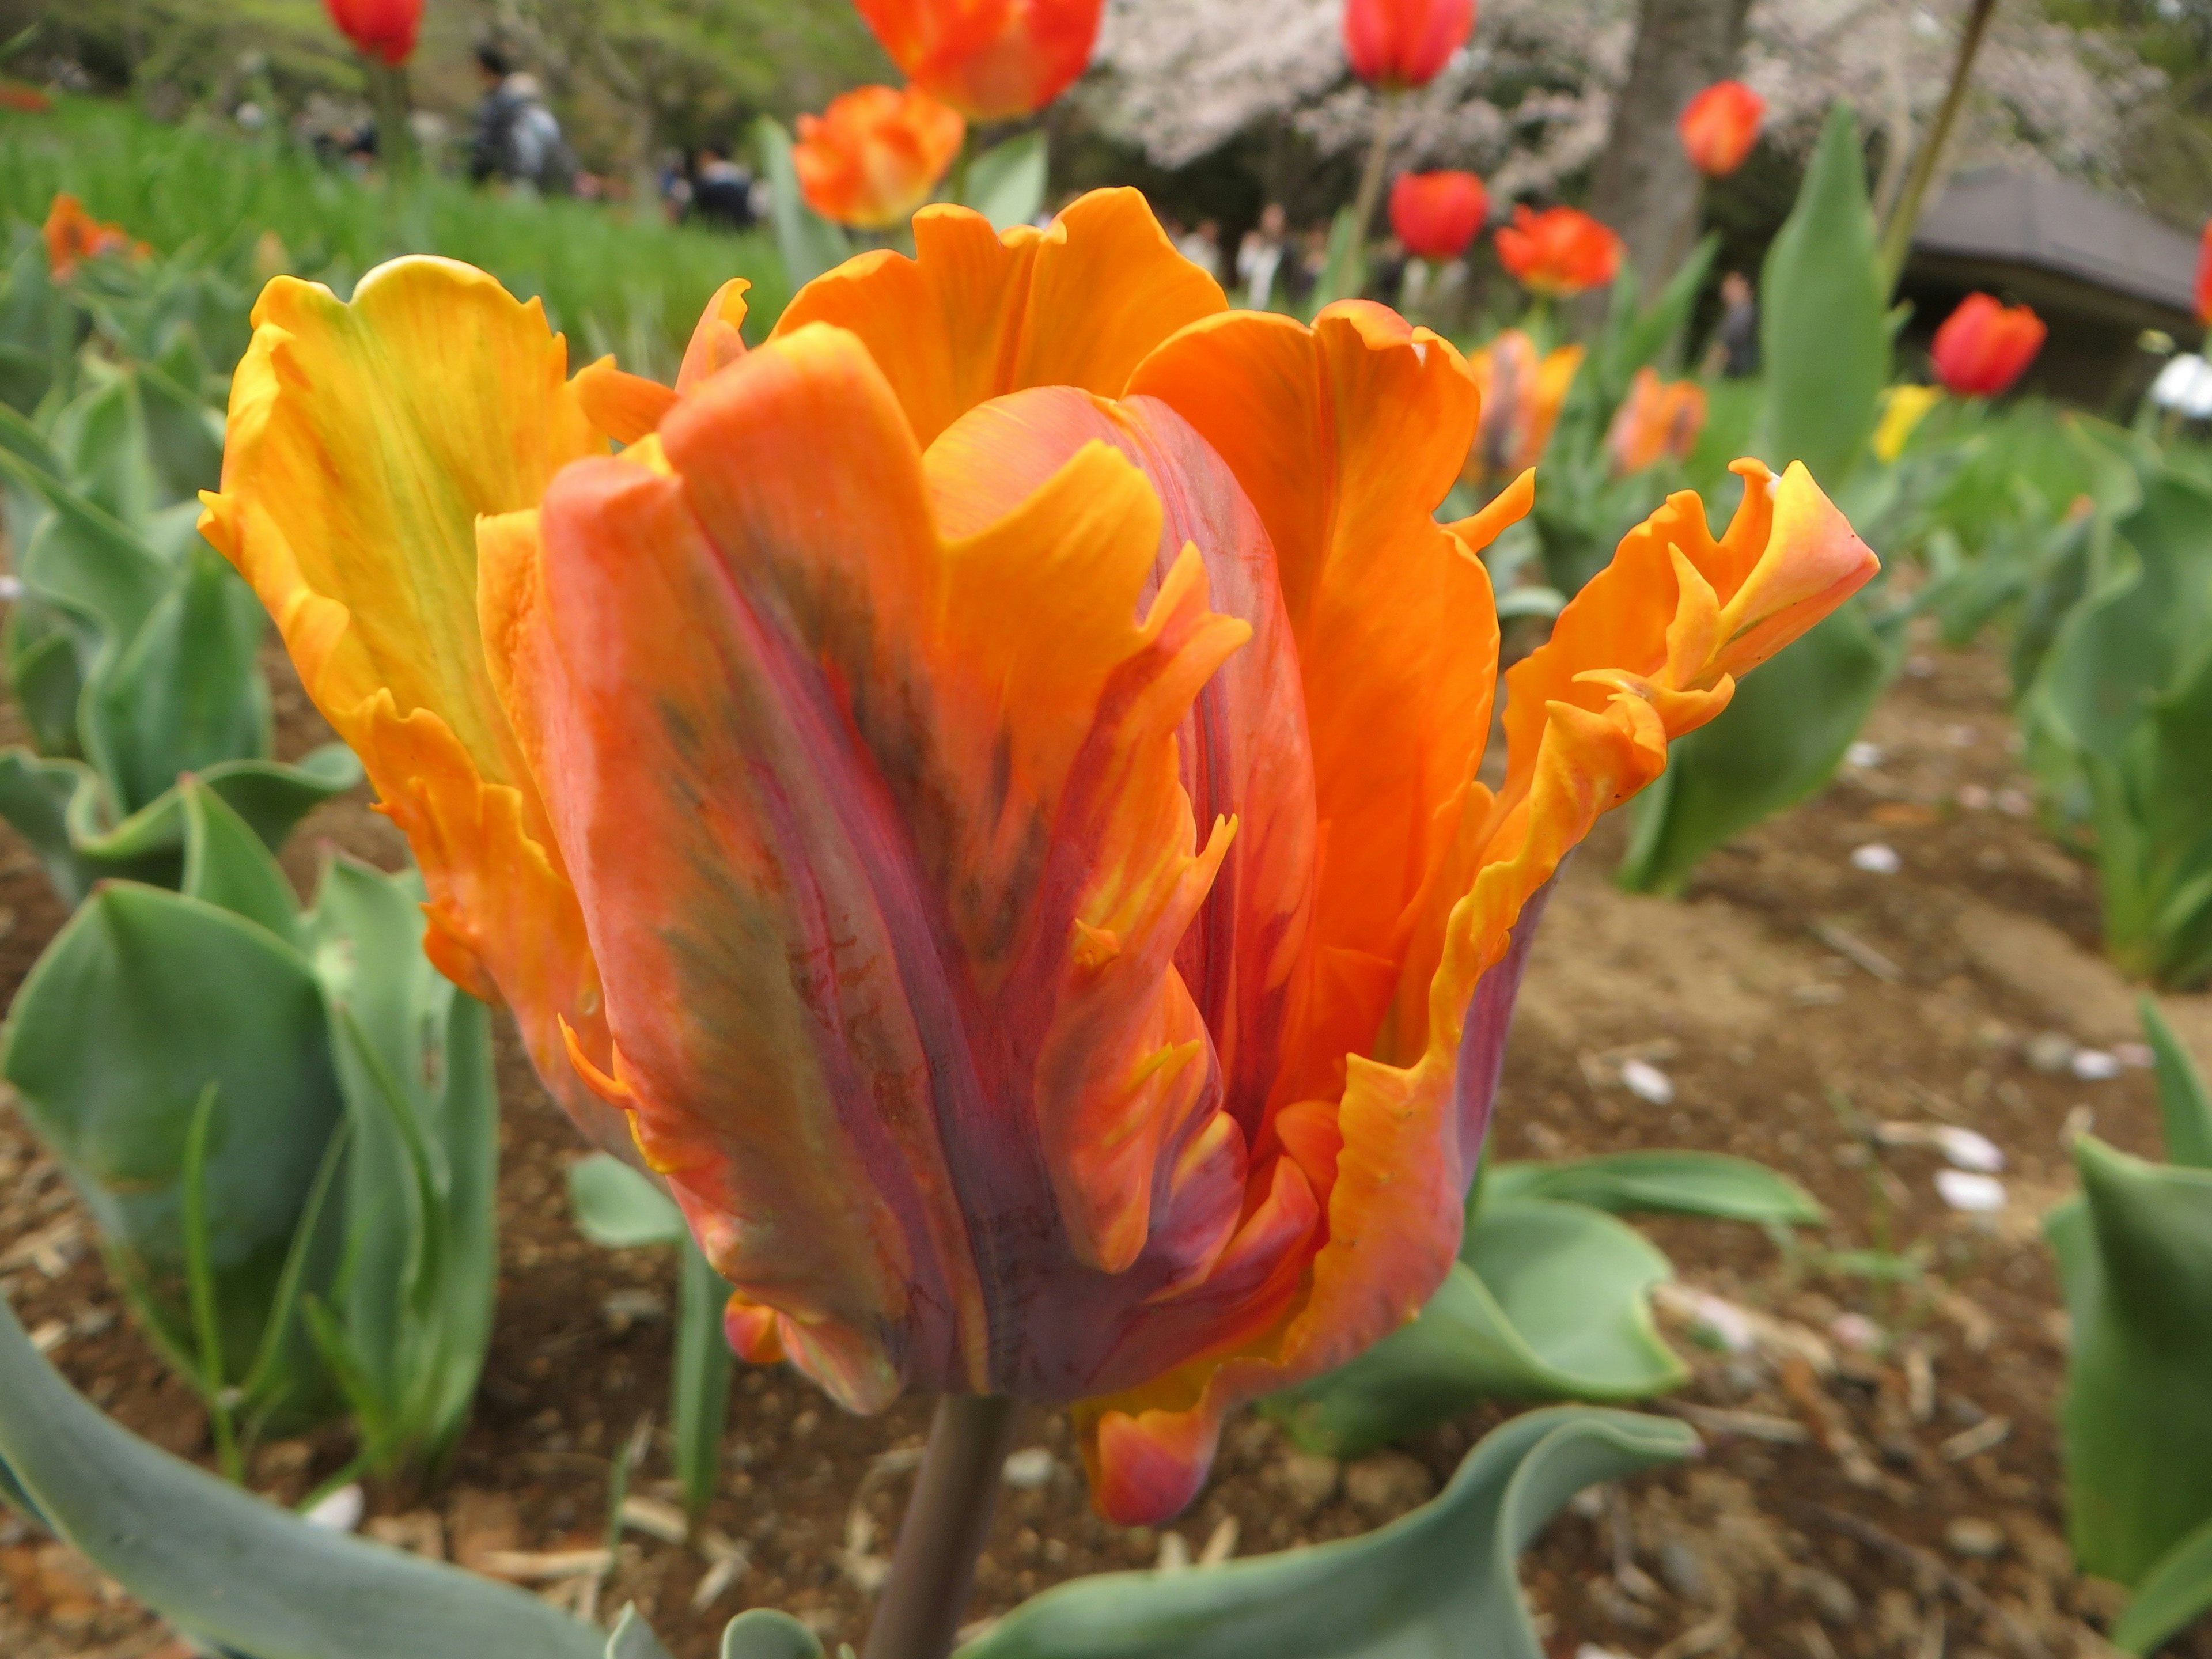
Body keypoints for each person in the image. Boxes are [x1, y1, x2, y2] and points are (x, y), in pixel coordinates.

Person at [468, 44, 575, 194]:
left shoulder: (498, 105)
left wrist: (473, 183)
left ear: (484, 68)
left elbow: (485, 148)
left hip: (514, 180)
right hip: (545, 184)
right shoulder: (538, 111)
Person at [689, 146, 757, 231]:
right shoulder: (737, 170)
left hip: (717, 211)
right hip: (742, 219)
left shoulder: (709, 170)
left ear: (711, 155)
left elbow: (695, 194)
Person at [1236, 203, 1290, 310]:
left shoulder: (1288, 249)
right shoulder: (1252, 244)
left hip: (1276, 307)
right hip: (1249, 305)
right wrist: (1250, 249)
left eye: (1276, 218)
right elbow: (1243, 272)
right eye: (1270, 217)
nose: (1272, 223)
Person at [1709, 269, 1760, 378]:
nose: (1725, 287)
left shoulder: (1743, 314)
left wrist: (1706, 377)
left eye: (1730, 283)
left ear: (1743, 285)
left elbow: (1723, 351)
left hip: (1741, 376)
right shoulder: (1738, 313)